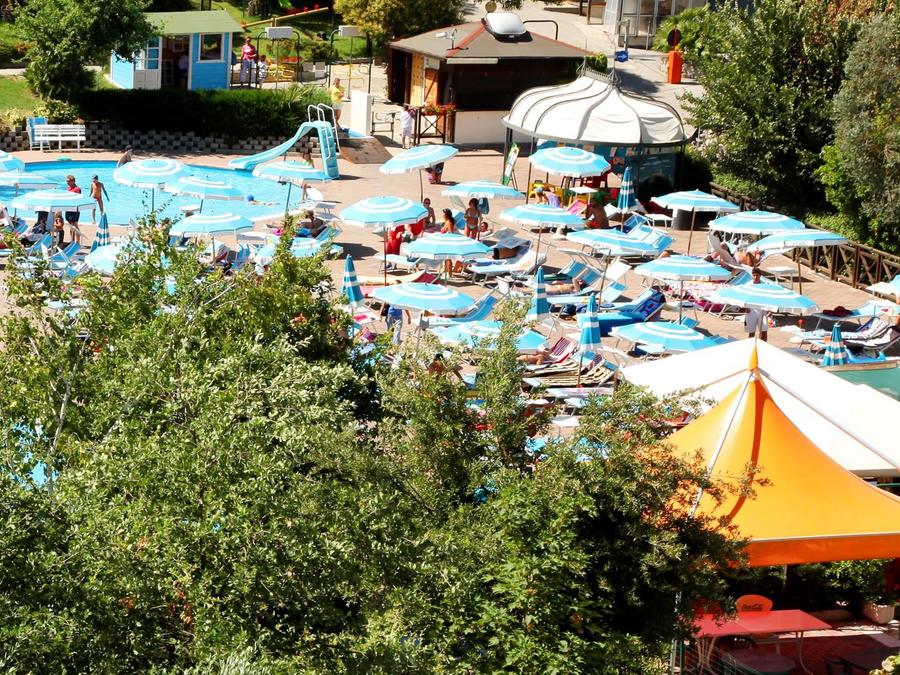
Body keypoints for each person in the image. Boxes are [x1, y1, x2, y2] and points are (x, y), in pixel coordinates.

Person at [744, 268, 770, 341]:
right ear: (752, 275)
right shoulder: (747, 286)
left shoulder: (765, 286)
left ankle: (763, 346)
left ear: (760, 276)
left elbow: (769, 298)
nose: (755, 277)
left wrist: (769, 310)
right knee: (751, 333)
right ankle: (751, 346)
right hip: (751, 311)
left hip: (762, 310)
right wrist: (746, 307)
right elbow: (743, 297)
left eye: (757, 275)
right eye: (754, 275)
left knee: (763, 332)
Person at [64, 174, 82, 245]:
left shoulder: (77, 189)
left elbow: (78, 199)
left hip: (75, 210)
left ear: (73, 181)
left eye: (68, 181)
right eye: (66, 181)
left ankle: (77, 242)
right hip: (68, 208)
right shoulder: (68, 188)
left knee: (75, 225)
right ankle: (72, 240)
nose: (67, 182)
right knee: (70, 226)